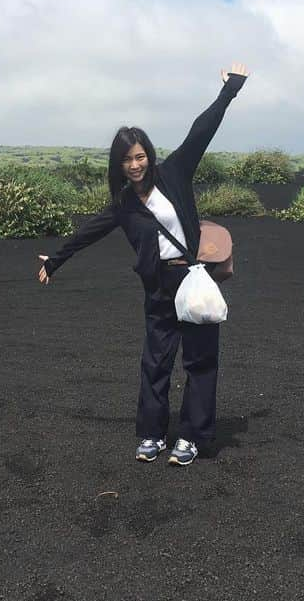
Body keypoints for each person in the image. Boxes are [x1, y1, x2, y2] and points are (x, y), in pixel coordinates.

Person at [37, 63, 250, 467]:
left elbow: (201, 131)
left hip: (192, 280)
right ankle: (152, 434)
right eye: (126, 161)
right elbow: (89, 232)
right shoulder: (123, 206)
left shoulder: (174, 174)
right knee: (156, 362)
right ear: (118, 166)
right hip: (158, 288)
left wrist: (230, 90)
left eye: (139, 157)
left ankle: (190, 437)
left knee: (200, 360)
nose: (135, 165)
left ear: (149, 156)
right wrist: (58, 259)